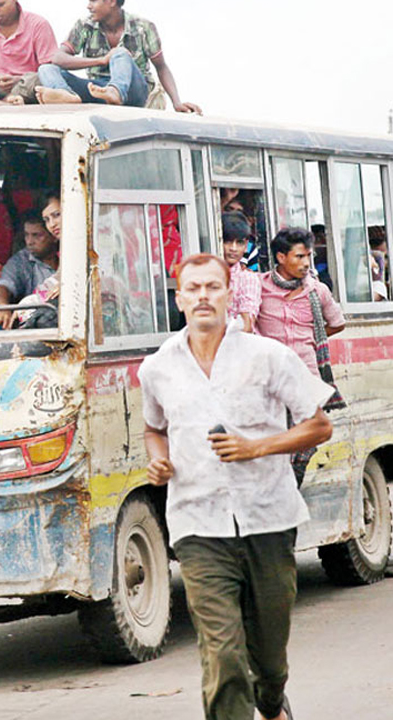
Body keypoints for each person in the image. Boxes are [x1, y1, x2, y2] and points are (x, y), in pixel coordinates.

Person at [140, 254, 334, 720]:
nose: (203, 296)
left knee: (269, 654)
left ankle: (271, 701)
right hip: (197, 523)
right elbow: (154, 427)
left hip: (268, 517)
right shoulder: (157, 367)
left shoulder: (268, 355)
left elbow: (319, 425)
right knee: (221, 653)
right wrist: (157, 460)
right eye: (193, 289)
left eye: (213, 287)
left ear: (230, 293)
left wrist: (257, 448)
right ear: (179, 297)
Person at [36, 0, 200, 113]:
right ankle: (67, 96)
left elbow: (161, 67)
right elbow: (58, 58)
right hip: (98, 90)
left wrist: (177, 103)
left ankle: (115, 91)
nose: (88, 6)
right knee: (46, 68)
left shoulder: (143, 27)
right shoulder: (84, 25)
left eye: (93, 1)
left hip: (133, 90)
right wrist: (101, 60)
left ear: (112, 1)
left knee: (120, 53)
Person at [256, 228, 346, 376]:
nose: (306, 263)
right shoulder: (259, 285)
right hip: (270, 372)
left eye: (308, 256)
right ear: (281, 257)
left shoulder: (317, 290)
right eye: (299, 256)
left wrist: (310, 338)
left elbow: (337, 323)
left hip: (307, 371)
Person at [0, 197, 62, 329]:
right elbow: (2, 289)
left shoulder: (71, 251)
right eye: (26, 235)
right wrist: (4, 308)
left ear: (53, 237)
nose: (29, 241)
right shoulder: (20, 261)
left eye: (37, 235)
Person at [222, 211, 260, 332]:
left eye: (239, 243)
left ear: (246, 246)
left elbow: (246, 325)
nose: (233, 248)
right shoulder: (205, 274)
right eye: (227, 241)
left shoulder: (247, 278)